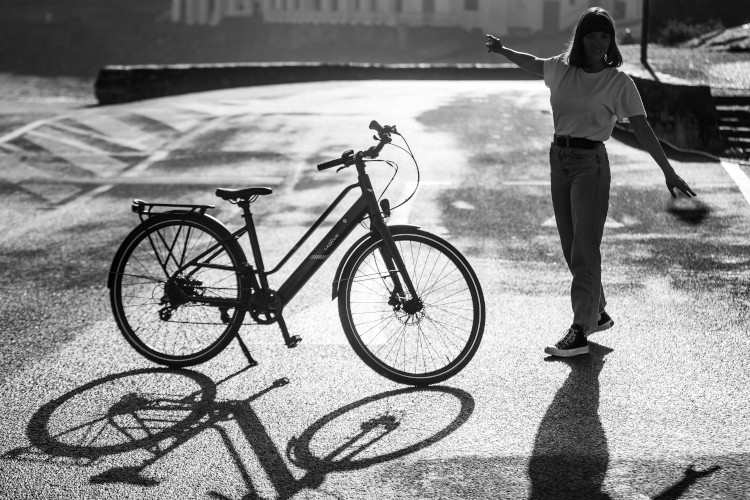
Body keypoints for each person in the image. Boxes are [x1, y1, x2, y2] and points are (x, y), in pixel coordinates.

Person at [485, 7, 696, 357]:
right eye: (591, 35)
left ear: (611, 40)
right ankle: (596, 311)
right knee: (571, 247)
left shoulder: (617, 82)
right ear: (580, 38)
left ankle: (580, 329)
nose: (598, 42)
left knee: (585, 248)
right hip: (559, 159)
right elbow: (533, 62)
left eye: (604, 35)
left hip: (590, 165)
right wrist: (503, 50)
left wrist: (668, 171)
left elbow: (642, 127)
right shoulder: (561, 69)